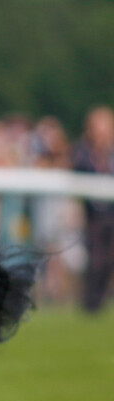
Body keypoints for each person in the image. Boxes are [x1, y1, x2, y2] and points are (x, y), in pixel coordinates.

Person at [73, 106, 114, 312]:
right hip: (93, 214)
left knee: (108, 260)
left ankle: (102, 299)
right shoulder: (83, 151)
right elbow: (77, 171)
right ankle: (91, 303)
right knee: (96, 258)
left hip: (111, 214)